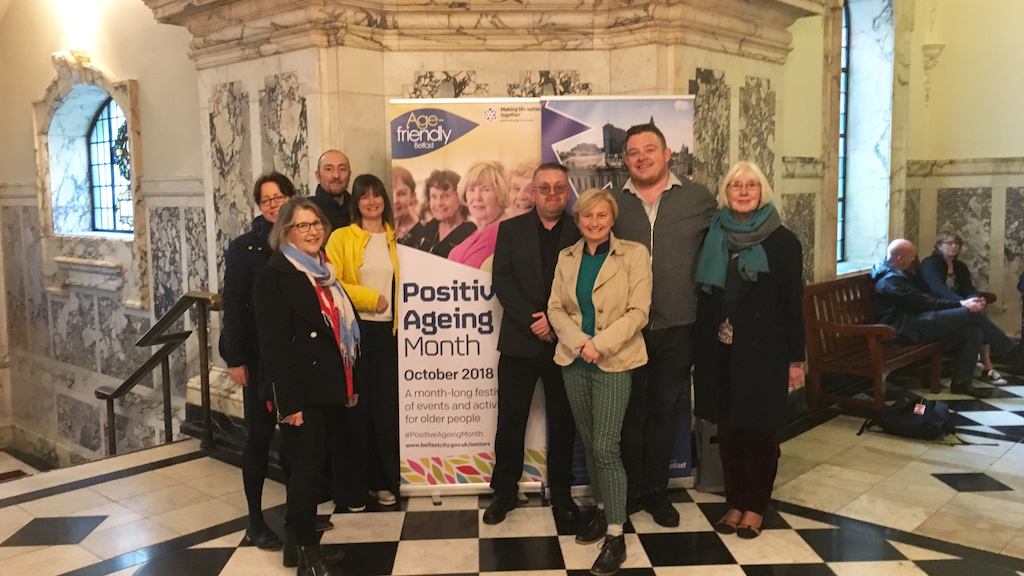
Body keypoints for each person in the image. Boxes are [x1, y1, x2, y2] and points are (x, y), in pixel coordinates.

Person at [693, 161, 804, 539]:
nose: (742, 191)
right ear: (725, 192)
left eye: (750, 185)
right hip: (720, 351)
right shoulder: (714, 235)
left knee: (759, 433)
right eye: (735, 185)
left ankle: (756, 506)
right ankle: (735, 502)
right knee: (728, 432)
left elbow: (793, 303)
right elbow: (705, 298)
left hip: (765, 354)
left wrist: (795, 359)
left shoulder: (783, 241)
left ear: (762, 192)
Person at [612, 123, 716, 527]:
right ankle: (629, 491)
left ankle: (656, 492)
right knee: (628, 412)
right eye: (633, 152)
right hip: (626, 329)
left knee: (664, 410)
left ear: (667, 153)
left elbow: (725, 245)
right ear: (625, 160)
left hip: (679, 325)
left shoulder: (698, 198)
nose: (641, 157)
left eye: (649, 149)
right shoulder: (612, 203)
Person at [548, 188, 651, 576]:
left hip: (614, 361)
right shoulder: (567, 257)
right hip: (574, 360)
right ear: (578, 221)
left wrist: (600, 345)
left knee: (607, 447)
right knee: (590, 441)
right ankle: (607, 508)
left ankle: (615, 534)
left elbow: (639, 311)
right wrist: (579, 343)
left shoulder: (634, 255)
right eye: (588, 217)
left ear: (612, 219)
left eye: (602, 216)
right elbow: (555, 307)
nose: (595, 223)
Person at [255, 198, 360, 576]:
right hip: (300, 393)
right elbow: (274, 347)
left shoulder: (322, 271)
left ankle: (303, 547)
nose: (314, 230)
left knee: (314, 471)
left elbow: (337, 332)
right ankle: (305, 556)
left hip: (328, 386)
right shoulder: (275, 275)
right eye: (304, 225)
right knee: (305, 473)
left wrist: (348, 381)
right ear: (286, 232)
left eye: (317, 223)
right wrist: (289, 403)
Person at [485, 163, 581, 525]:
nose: (552, 194)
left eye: (559, 188)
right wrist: (534, 320)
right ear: (533, 192)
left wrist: (555, 322)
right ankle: (504, 493)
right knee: (510, 420)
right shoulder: (510, 229)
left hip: (565, 344)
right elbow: (502, 280)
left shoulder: (581, 228)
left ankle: (562, 495)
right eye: (545, 188)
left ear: (567, 191)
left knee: (564, 422)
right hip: (519, 344)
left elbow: (590, 282)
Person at [219, 172, 297, 550]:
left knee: (299, 438)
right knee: (261, 437)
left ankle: (300, 514)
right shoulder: (243, 248)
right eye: (266, 199)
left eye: (279, 196)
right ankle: (254, 520)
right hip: (259, 358)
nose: (273, 203)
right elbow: (232, 305)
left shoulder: (303, 239)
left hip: (297, 357)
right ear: (259, 204)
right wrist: (234, 357)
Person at [325, 174, 401, 508]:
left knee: (386, 411)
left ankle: (385, 482)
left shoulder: (399, 237)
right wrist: (370, 298)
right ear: (356, 202)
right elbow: (331, 280)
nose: (371, 201)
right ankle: (356, 488)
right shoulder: (342, 237)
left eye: (377, 195)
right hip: (355, 334)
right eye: (364, 196)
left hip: (394, 335)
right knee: (357, 411)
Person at [870, 239, 1020, 397]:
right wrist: (961, 304)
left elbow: (924, 298)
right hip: (903, 328)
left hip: (917, 319)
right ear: (899, 258)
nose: (914, 259)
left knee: (973, 331)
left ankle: (962, 383)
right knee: (971, 313)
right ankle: (1011, 350)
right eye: (911, 256)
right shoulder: (890, 280)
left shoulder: (897, 273)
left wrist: (966, 302)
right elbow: (922, 302)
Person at [919, 232, 1004, 384]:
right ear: (939, 246)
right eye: (949, 243)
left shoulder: (960, 266)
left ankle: (983, 366)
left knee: (976, 325)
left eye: (957, 243)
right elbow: (938, 289)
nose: (954, 246)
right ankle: (1000, 351)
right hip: (935, 310)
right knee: (973, 314)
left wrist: (977, 299)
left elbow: (968, 288)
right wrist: (963, 303)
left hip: (959, 307)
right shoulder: (930, 263)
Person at [448, 161, 510, 270]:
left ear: (500, 193)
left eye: (485, 189)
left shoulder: (507, 235)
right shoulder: (474, 232)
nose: (477, 197)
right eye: (471, 189)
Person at [402, 169, 475, 257]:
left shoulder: (470, 233)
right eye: (434, 196)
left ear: (460, 197)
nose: (438, 203)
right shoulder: (430, 227)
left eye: (445, 196)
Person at [312, 149, 353, 231]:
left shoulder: (358, 207)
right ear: (318, 175)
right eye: (328, 169)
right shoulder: (307, 209)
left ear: (349, 174)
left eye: (342, 169)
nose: (336, 175)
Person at [391, 166, 420, 240]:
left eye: (402, 193)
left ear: (412, 196)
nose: (395, 201)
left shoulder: (420, 233)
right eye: (389, 192)